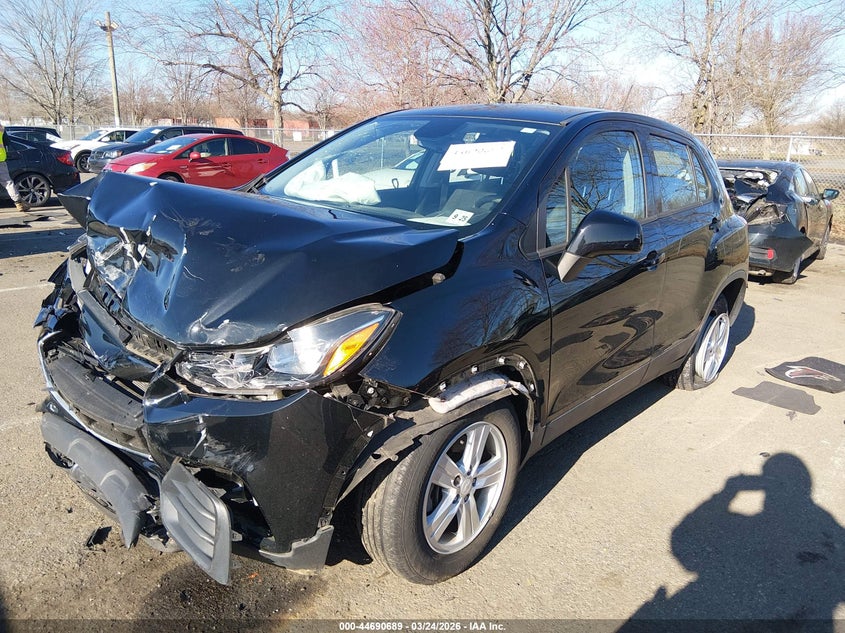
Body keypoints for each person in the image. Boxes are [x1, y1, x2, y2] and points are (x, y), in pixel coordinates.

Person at [0, 123, 30, 212]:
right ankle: (19, 203)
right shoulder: (1, 129)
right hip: (0, 159)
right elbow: (7, 143)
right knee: (8, 183)